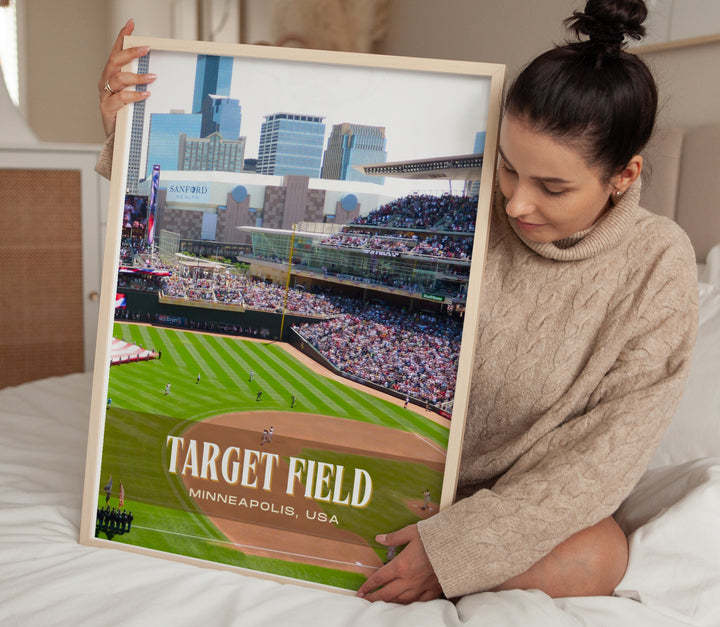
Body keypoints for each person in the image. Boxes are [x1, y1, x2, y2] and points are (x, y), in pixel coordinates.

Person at [96, 0, 698, 604]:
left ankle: (418, 561)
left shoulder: (657, 263)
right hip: (413, 475)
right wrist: (121, 136)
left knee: (600, 556)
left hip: (516, 503)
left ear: (624, 176)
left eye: (553, 187)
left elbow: (604, 460)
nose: (515, 204)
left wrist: (459, 549)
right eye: (509, 171)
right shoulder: (475, 215)